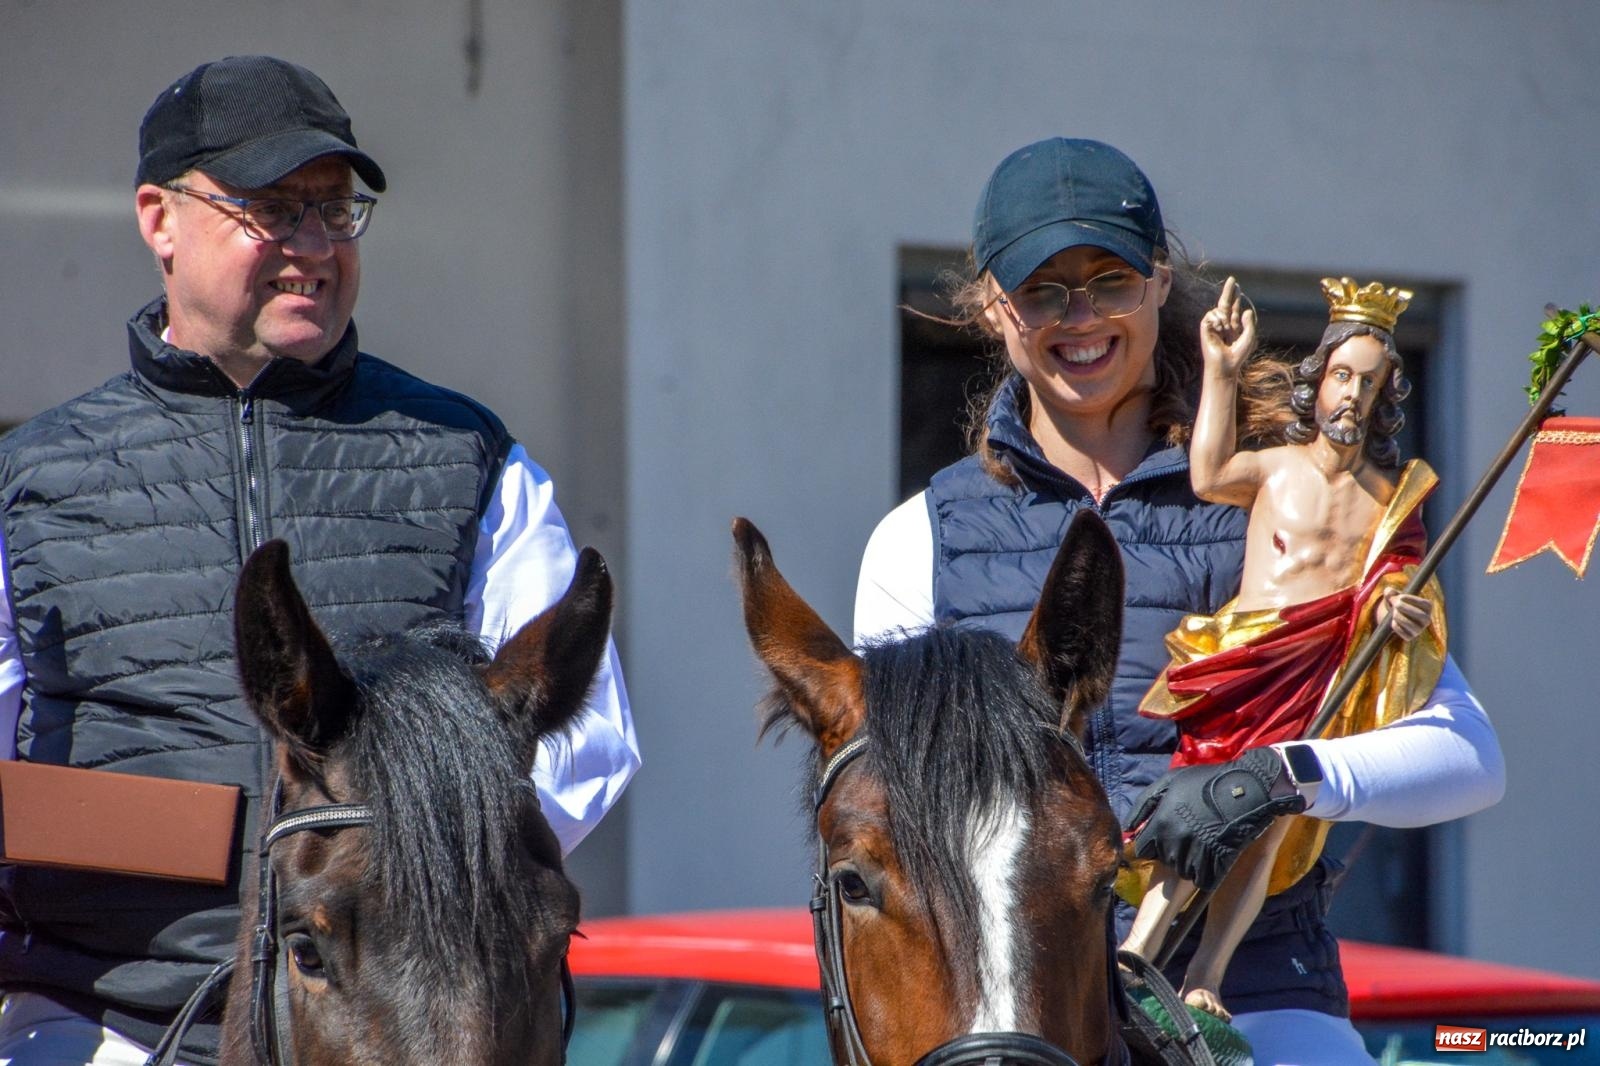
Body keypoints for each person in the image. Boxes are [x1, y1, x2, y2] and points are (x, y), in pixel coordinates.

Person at [0, 55, 640, 1066]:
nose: (312, 245)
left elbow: (587, 736)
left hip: (405, 1026)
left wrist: (400, 857)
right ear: (159, 219)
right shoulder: (31, 477)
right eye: (271, 210)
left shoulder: (468, 453)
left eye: (334, 210)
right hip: (105, 1023)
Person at [853, 137, 1503, 1064]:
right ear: (995, 307)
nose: (1080, 317)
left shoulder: (1290, 500)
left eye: (1110, 281)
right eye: (1043, 290)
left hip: (1251, 993)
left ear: (1161, 280)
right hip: (1021, 1014)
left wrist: (1278, 778)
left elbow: (1470, 757)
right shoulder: (917, 539)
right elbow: (889, 829)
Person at [1121, 276, 1448, 1020]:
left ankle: (1207, 974)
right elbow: (1208, 475)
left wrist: (1396, 608)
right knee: (1198, 804)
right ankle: (1140, 945)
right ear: (1319, 379)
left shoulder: (1391, 499)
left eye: (1369, 382)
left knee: (1264, 833)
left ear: (1385, 395)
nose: (1352, 396)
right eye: (1342, 376)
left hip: (1315, 683)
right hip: (1247, 665)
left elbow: (1400, 581)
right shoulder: (1276, 466)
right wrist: (1222, 370)